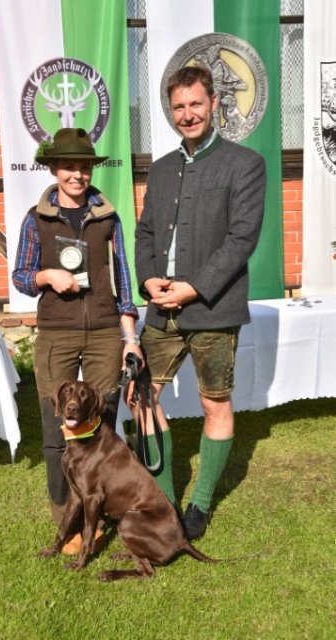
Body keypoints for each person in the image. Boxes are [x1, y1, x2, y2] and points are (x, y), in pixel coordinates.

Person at [134, 65, 266, 539]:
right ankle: (165, 500)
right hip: (160, 306)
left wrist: (193, 287)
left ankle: (201, 504)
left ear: (214, 104)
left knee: (215, 402)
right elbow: (146, 230)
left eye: (195, 104)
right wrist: (149, 279)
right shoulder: (162, 167)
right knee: (142, 396)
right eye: (178, 107)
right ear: (171, 112)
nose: (187, 114)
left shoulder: (245, 164)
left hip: (213, 306)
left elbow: (241, 239)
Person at [12, 127, 142, 554]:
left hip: (105, 331)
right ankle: (65, 521)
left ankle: (97, 508)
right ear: (54, 168)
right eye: (69, 166)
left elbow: (124, 278)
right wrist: (47, 276)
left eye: (84, 167)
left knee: (100, 425)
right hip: (56, 333)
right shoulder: (36, 218)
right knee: (57, 430)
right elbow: (21, 276)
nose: (77, 174)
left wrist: (129, 338)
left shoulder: (108, 217)